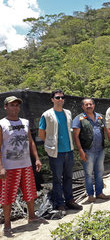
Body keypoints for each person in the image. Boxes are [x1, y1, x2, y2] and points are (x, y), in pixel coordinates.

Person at [0, 96, 45, 236]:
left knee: (30, 191)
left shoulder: (25, 122)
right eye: (12, 105)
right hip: (9, 166)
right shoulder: (2, 124)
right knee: (7, 196)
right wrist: (1, 167)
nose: (15, 107)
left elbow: (31, 142)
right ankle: (7, 224)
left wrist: (36, 159)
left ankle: (31, 216)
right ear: (6, 107)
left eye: (17, 105)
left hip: (25, 164)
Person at [38, 89, 82, 212]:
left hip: (69, 150)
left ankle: (69, 201)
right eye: (57, 97)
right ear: (52, 99)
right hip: (56, 152)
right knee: (57, 179)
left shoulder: (68, 113)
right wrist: (50, 143)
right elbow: (41, 133)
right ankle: (59, 203)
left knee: (68, 177)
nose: (60, 100)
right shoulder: (47, 115)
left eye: (62, 97)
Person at [72, 98, 110, 203]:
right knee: (88, 174)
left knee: (99, 172)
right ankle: (90, 195)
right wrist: (81, 151)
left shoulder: (100, 117)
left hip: (100, 150)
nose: (89, 106)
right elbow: (76, 137)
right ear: (82, 107)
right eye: (86, 105)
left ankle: (99, 192)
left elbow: (108, 130)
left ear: (94, 105)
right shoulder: (79, 119)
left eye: (90, 104)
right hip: (87, 151)